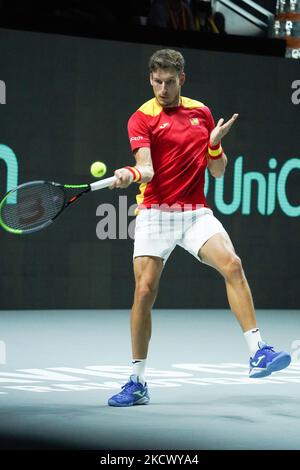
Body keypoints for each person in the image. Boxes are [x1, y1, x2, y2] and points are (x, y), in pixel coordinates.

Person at [108, 49, 291, 407]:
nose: (163, 88)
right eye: (157, 81)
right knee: (144, 292)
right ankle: (138, 380)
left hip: (194, 213)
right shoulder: (141, 119)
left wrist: (214, 144)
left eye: (170, 81)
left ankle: (258, 352)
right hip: (155, 213)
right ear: (150, 79)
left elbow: (218, 171)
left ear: (182, 80)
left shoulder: (201, 112)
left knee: (233, 265)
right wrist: (128, 174)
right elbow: (146, 169)